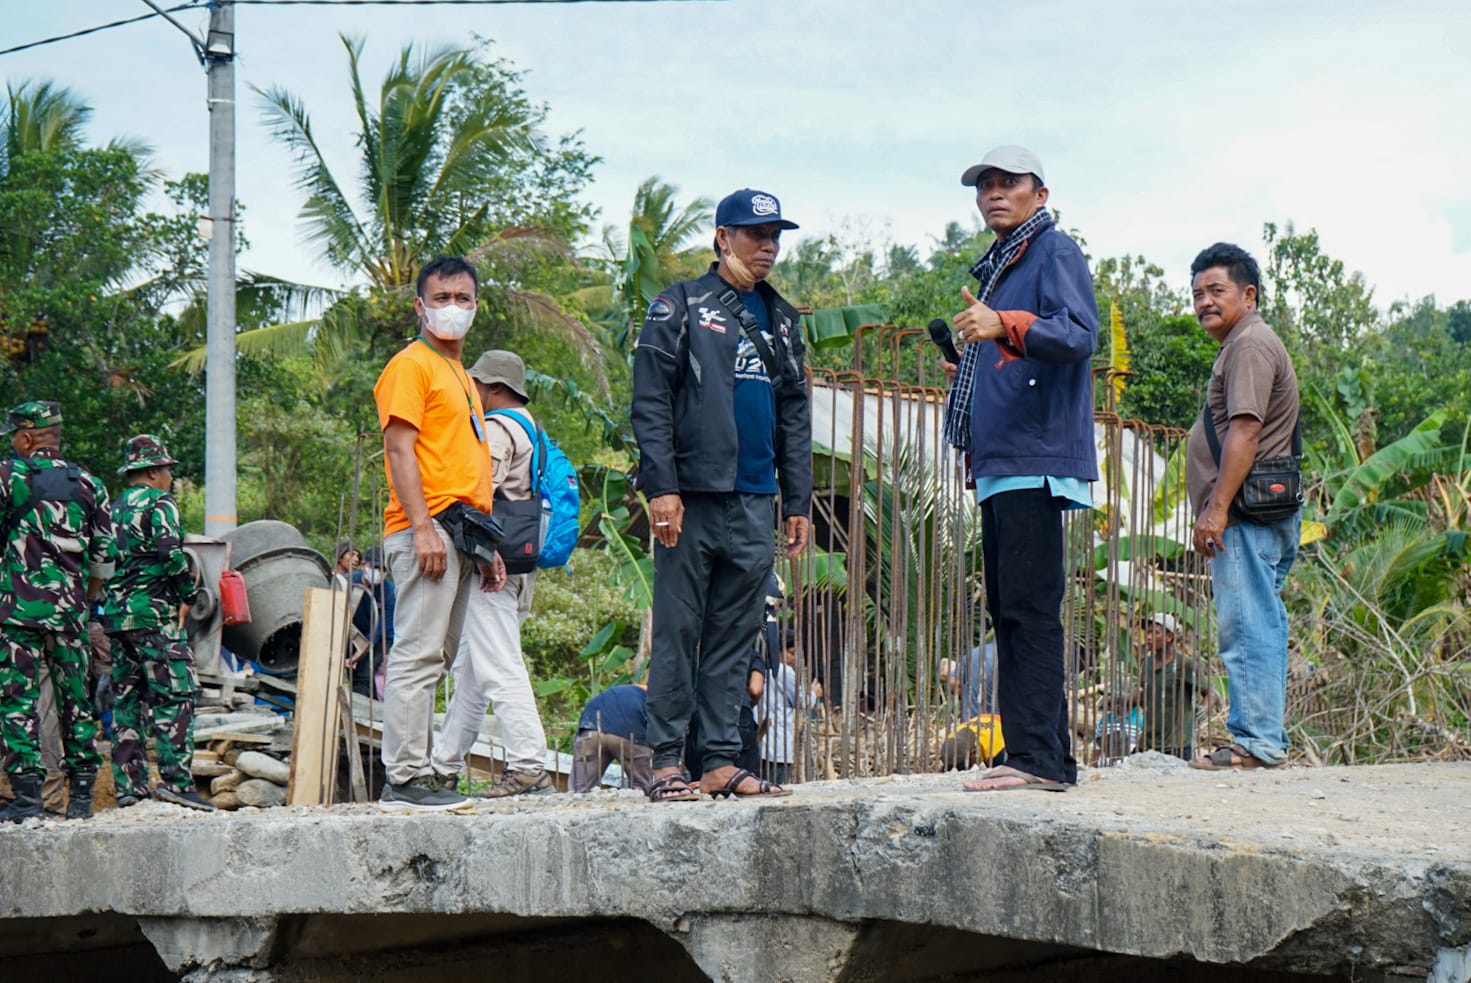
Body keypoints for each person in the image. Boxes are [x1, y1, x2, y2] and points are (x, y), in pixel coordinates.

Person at [631, 187, 813, 802]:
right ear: (722, 237)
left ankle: (717, 760)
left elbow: (795, 413)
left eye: (775, 235)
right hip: (693, 498)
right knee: (679, 629)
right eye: (754, 234)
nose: (767, 246)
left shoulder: (784, 319)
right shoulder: (679, 305)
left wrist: (797, 502)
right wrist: (662, 487)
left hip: (758, 500)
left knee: (737, 635)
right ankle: (663, 763)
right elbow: (650, 401)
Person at [940, 147, 1099, 792]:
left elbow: (1079, 333)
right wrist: (976, 372)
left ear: (1041, 193)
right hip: (1002, 461)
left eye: (1009, 184)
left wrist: (1002, 321)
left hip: (1034, 461)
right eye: (985, 186)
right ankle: (1032, 751)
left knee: (1030, 609)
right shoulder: (1004, 265)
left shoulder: (1053, 251)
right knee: (1008, 609)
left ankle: (1040, 760)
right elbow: (1018, 346)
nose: (994, 194)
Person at [373, 255, 504, 812]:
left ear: (477, 305)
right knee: (418, 653)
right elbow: (399, 449)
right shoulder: (412, 365)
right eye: (442, 297)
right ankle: (403, 778)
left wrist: (486, 548)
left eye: (464, 298)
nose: (454, 308)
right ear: (420, 306)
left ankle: (418, 772)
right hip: (425, 528)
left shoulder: (461, 377)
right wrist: (422, 527)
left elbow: (462, 465)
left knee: (439, 655)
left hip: (461, 532)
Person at [1185, 243, 1300, 771]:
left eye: (1217, 291)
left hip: (1245, 515)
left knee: (1248, 622)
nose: (1205, 301)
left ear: (1248, 295)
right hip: (1255, 512)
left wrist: (1217, 509)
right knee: (1261, 619)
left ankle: (1255, 742)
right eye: (1198, 294)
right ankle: (1261, 737)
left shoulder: (1250, 344)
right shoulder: (1243, 342)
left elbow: (1246, 428)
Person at [430, 350, 552, 798]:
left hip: (494, 568)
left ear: (493, 388)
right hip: (520, 564)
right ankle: (442, 765)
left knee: (498, 664)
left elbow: (481, 491)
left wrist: (481, 552)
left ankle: (528, 764)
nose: (473, 394)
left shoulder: (501, 427)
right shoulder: (533, 427)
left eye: (477, 386)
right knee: (472, 669)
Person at [0, 401, 115, 822]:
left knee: (19, 702)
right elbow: (104, 559)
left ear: (27, 437)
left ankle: (28, 800)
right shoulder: (89, 484)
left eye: (13, 436)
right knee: (76, 703)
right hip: (70, 615)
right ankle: (82, 800)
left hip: (17, 615)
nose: (11, 443)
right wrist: (80, 600)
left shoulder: (8, 476)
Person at [100, 434, 214, 811]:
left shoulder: (113, 508)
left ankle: (130, 787)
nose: (170, 477)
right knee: (175, 692)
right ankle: (176, 784)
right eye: (167, 470)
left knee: (127, 697)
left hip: (118, 617)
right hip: (155, 615)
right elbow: (170, 551)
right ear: (152, 471)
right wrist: (187, 593)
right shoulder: (160, 502)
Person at [1123, 613, 1210, 761]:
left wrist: (1205, 707)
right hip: (1147, 741)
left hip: (1177, 744)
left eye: (1155, 632)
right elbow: (1149, 694)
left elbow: (1210, 692)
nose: (1148, 637)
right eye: (1148, 633)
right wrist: (1124, 700)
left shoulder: (1185, 664)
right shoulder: (1147, 663)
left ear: (1169, 637)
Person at [757, 632, 821, 786]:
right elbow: (803, 703)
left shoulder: (759, 670)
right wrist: (814, 693)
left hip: (760, 743)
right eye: (791, 653)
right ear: (777, 651)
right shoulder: (784, 671)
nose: (794, 659)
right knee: (777, 788)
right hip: (777, 744)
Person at [571, 683, 653, 793]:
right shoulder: (652, 697)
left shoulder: (613, 693)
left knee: (579, 790)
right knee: (642, 788)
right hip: (628, 735)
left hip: (590, 732)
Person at [349, 546, 394, 699]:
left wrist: (355, 658)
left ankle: (363, 713)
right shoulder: (348, 582)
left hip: (379, 639)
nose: (378, 572)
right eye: (374, 567)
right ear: (364, 565)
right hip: (351, 633)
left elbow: (377, 633)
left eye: (382, 569)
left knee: (365, 676)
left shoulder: (388, 593)